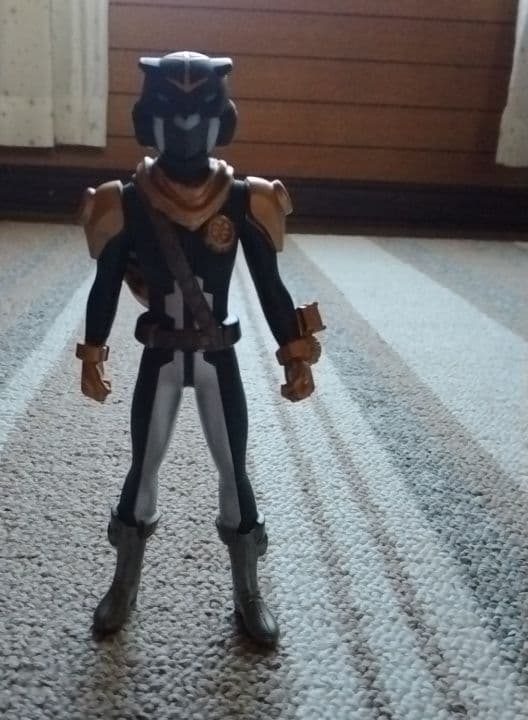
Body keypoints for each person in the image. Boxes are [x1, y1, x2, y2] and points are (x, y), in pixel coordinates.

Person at [76, 51, 324, 647]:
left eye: (199, 114)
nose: (186, 127)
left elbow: (270, 287)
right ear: (149, 121)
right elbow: (105, 285)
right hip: (161, 353)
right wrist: (92, 352)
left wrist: (294, 350)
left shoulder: (246, 198)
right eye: (172, 114)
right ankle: (124, 583)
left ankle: (248, 591)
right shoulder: (125, 200)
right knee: (143, 469)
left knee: (234, 472)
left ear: (221, 121)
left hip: (218, 354)